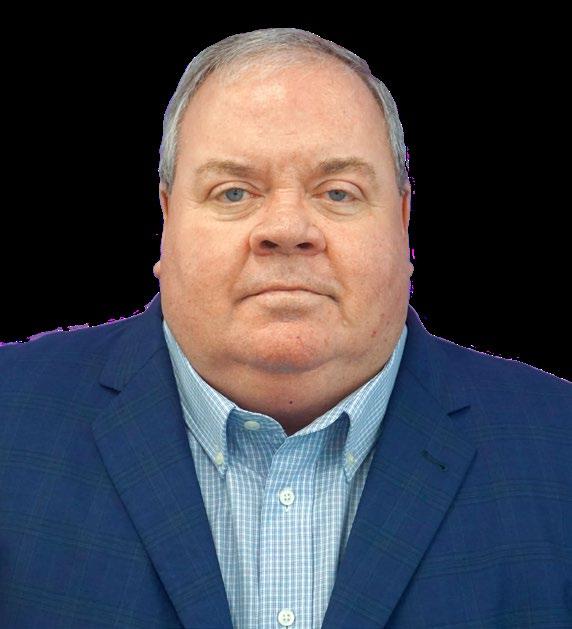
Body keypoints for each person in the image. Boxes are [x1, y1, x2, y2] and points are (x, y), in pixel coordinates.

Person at [1, 27, 570, 629]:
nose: (287, 229)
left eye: (339, 193)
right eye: (234, 192)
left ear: (404, 220)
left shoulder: (559, 445)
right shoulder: (9, 417)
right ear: (166, 217)